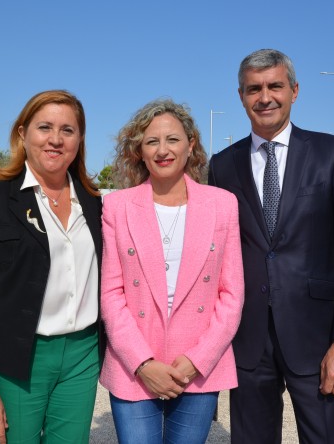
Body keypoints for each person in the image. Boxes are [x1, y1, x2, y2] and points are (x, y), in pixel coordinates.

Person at [208, 49, 334, 443]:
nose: (264, 97)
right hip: (249, 344)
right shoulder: (222, 166)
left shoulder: (332, 154)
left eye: (275, 86)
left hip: (320, 342)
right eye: (254, 88)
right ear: (241, 95)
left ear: (295, 91)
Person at [0, 90, 103, 443]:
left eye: (68, 130)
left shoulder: (94, 203)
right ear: (22, 134)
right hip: (18, 358)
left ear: (79, 139)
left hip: (82, 356)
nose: (55, 139)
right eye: (44, 127)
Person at [100, 99, 245, 443]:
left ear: (191, 144)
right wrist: (142, 363)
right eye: (152, 142)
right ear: (139, 151)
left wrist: (197, 359)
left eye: (173, 140)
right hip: (134, 365)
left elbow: (232, 293)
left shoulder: (222, 204)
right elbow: (111, 293)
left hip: (196, 365)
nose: (163, 150)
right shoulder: (117, 206)